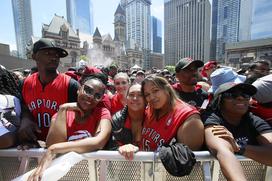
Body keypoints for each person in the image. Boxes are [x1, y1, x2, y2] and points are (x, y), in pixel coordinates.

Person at [27, 77, 112, 181]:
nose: (91, 97)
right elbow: (54, 142)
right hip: (63, 175)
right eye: (88, 90)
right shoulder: (62, 114)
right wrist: (63, 109)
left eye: (97, 96)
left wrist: (54, 149)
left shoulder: (102, 113)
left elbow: (98, 142)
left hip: (92, 175)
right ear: (79, 89)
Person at [118, 75, 204, 159]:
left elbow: (187, 162)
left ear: (167, 89)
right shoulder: (150, 109)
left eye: (155, 91)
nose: (151, 97)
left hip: (167, 172)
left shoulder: (188, 117)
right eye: (147, 94)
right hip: (145, 169)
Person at [204, 82, 272, 181]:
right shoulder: (211, 118)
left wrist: (240, 147)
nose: (240, 98)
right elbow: (223, 150)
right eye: (232, 95)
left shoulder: (254, 120)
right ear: (219, 100)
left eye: (245, 95)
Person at [18, 38, 79, 148]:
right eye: (47, 53)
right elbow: (24, 106)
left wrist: (51, 143)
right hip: (33, 146)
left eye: (56, 55)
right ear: (34, 56)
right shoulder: (25, 83)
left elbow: (79, 120)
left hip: (62, 148)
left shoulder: (71, 85)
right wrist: (25, 119)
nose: (54, 57)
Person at [107, 84, 145, 155]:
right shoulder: (117, 119)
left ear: (146, 99)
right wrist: (120, 148)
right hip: (122, 163)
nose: (135, 98)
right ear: (126, 98)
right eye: (131, 94)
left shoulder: (153, 118)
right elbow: (110, 147)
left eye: (140, 95)